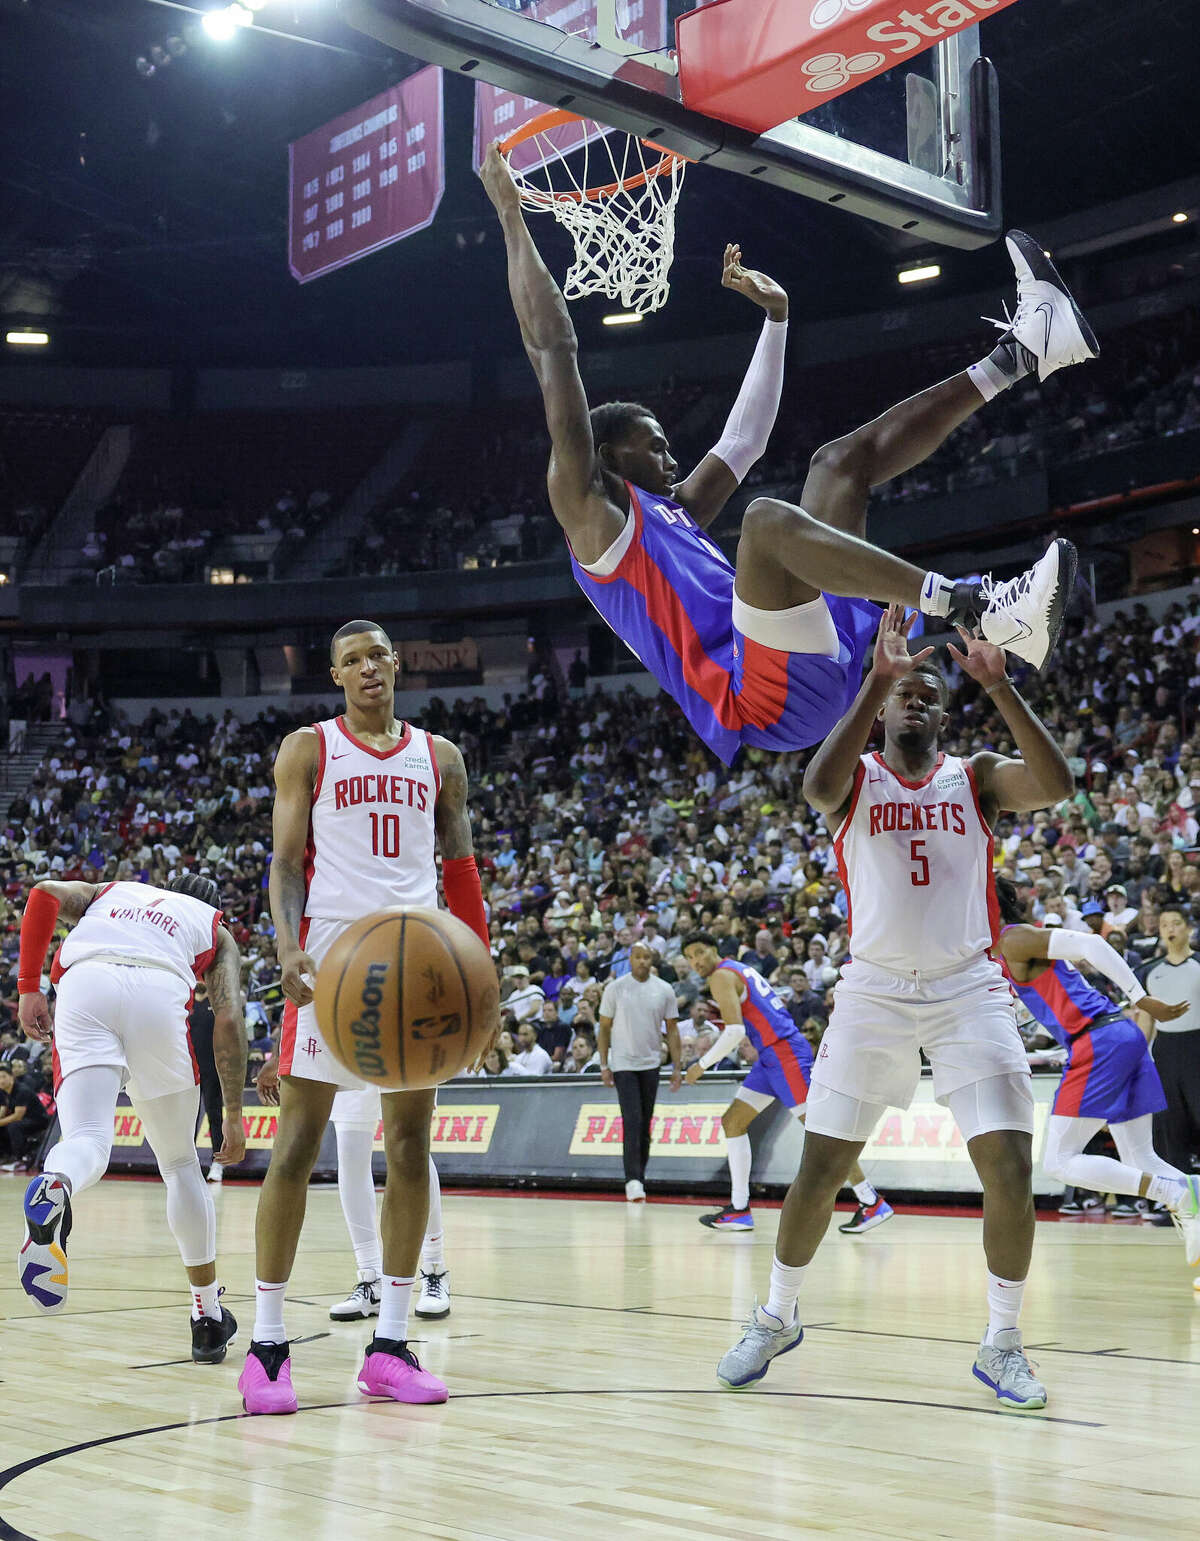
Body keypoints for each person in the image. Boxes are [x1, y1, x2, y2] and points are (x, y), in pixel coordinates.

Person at [481, 140, 1095, 764]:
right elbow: (552, 348)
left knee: (838, 464)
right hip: (762, 699)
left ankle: (1026, 352)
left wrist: (776, 321)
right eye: (656, 446)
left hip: (804, 646)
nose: (672, 459)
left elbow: (743, 442)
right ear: (609, 455)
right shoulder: (589, 514)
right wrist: (510, 210)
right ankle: (980, 605)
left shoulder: (674, 513)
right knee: (765, 521)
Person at [716, 605, 1075, 1410]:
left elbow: (1056, 784)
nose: (915, 696)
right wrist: (873, 676)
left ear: (945, 711)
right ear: (880, 707)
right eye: (901, 689)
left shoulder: (974, 775)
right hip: (873, 992)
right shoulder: (855, 781)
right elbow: (813, 786)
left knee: (1011, 1168)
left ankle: (1003, 1341)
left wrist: (1001, 688)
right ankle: (777, 1314)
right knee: (820, 1168)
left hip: (967, 991)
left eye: (929, 689)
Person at [238, 618, 492, 1416]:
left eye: (377, 653)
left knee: (410, 1148)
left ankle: (388, 1343)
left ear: (397, 661)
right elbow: (283, 865)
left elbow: (461, 869)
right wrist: (285, 948)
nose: (367, 667)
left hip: (417, 978)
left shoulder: (439, 757)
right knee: (295, 1149)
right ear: (336, 676)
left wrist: (478, 984)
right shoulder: (308, 749)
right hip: (331, 973)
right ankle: (268, 1344)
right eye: (350, 659)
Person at [15, 873, 246, 1364]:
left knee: (88, 1140)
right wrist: (234, 1114)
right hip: (158, 993)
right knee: (181, 1164)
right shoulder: (213, 927)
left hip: (85, 985)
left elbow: (42, 893)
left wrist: (28, 988)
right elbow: (227, 1021)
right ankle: (206, 1318)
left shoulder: (111, 892)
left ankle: (57, 1181)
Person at [995, 877, 1200, 1263]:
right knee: (1142, 1160)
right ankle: (1190, 1193)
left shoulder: (1014, 938)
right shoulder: (1000, 952)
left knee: (1058, 1160)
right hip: (1118, 1036)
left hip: (1098, 1041)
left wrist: (1139, 997)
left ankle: (1178, 1194)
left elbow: (1090, 944)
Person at [682, 933, 891, 1235]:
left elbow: (733, 1031)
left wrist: (699, 1066)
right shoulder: (738, 968)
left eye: (700, 952)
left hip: (784, 1054)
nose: (696, 961)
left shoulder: (721, 976)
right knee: (733, 1122)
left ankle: (870, 1201)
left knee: (821, 1132)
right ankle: (739, 1209)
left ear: (714, 949)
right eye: (690, 957)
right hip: (771, 1057)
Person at [254, 1064, 454, 1324]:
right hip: (348, 1038)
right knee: (350, 1148)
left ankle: (434, 1268)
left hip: (400, 1030)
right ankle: (370, 1277)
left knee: (409, 1146)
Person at [597, 942, 681, 1201]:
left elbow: (673, 1031)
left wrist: (677, 1067)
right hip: (623, 1064)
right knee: (632, 1121)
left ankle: (639, 1176)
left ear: (652, 960)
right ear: (630, 959)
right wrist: (604, 1064)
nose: (642, 961)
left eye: (647, 957)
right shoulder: (615, 988)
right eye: (638, 957)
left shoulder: (664, 990)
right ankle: (632, 1180)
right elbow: (604, 1028)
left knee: (644, 1124)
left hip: (651, 1063)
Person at [1136, 908, 1200, 1184]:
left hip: (1196, 1046)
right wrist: (1137, 1059)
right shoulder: (1149, 971)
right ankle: (1181, 1197)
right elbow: (1146, 1020)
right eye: (1164, 925)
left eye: (1176, 923)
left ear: (1188, 928)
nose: (1170, 929)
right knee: (1170, 1125)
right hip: (1165, 1051)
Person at [187, 981, 226, 1185]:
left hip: (213, 1070)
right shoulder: (187, 1002)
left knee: (215, 1116)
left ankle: (217, 1163)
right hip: (189, 1072)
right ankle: (188, 1165)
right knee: (188, 1119)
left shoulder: (217, 1003)